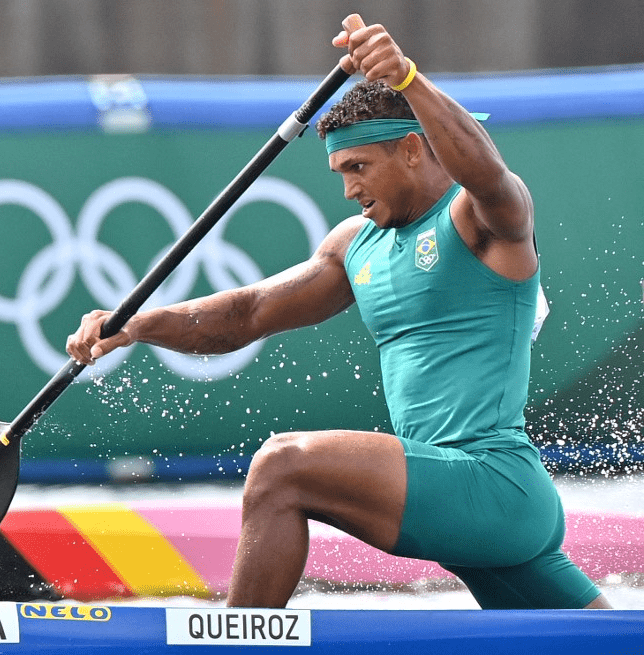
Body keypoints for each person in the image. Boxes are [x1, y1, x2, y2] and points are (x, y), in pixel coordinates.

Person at [65, 15, 610, 610]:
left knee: (281, 468)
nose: (348, 190)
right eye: (339, 172)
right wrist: (136, 324)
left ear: (409, 150)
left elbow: (487, 172)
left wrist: (407, 78)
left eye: (358, 168)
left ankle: (235, 644)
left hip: (490, 483)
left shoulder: (480, 221)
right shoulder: (356, 244)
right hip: (465, 503)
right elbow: (247, 314)